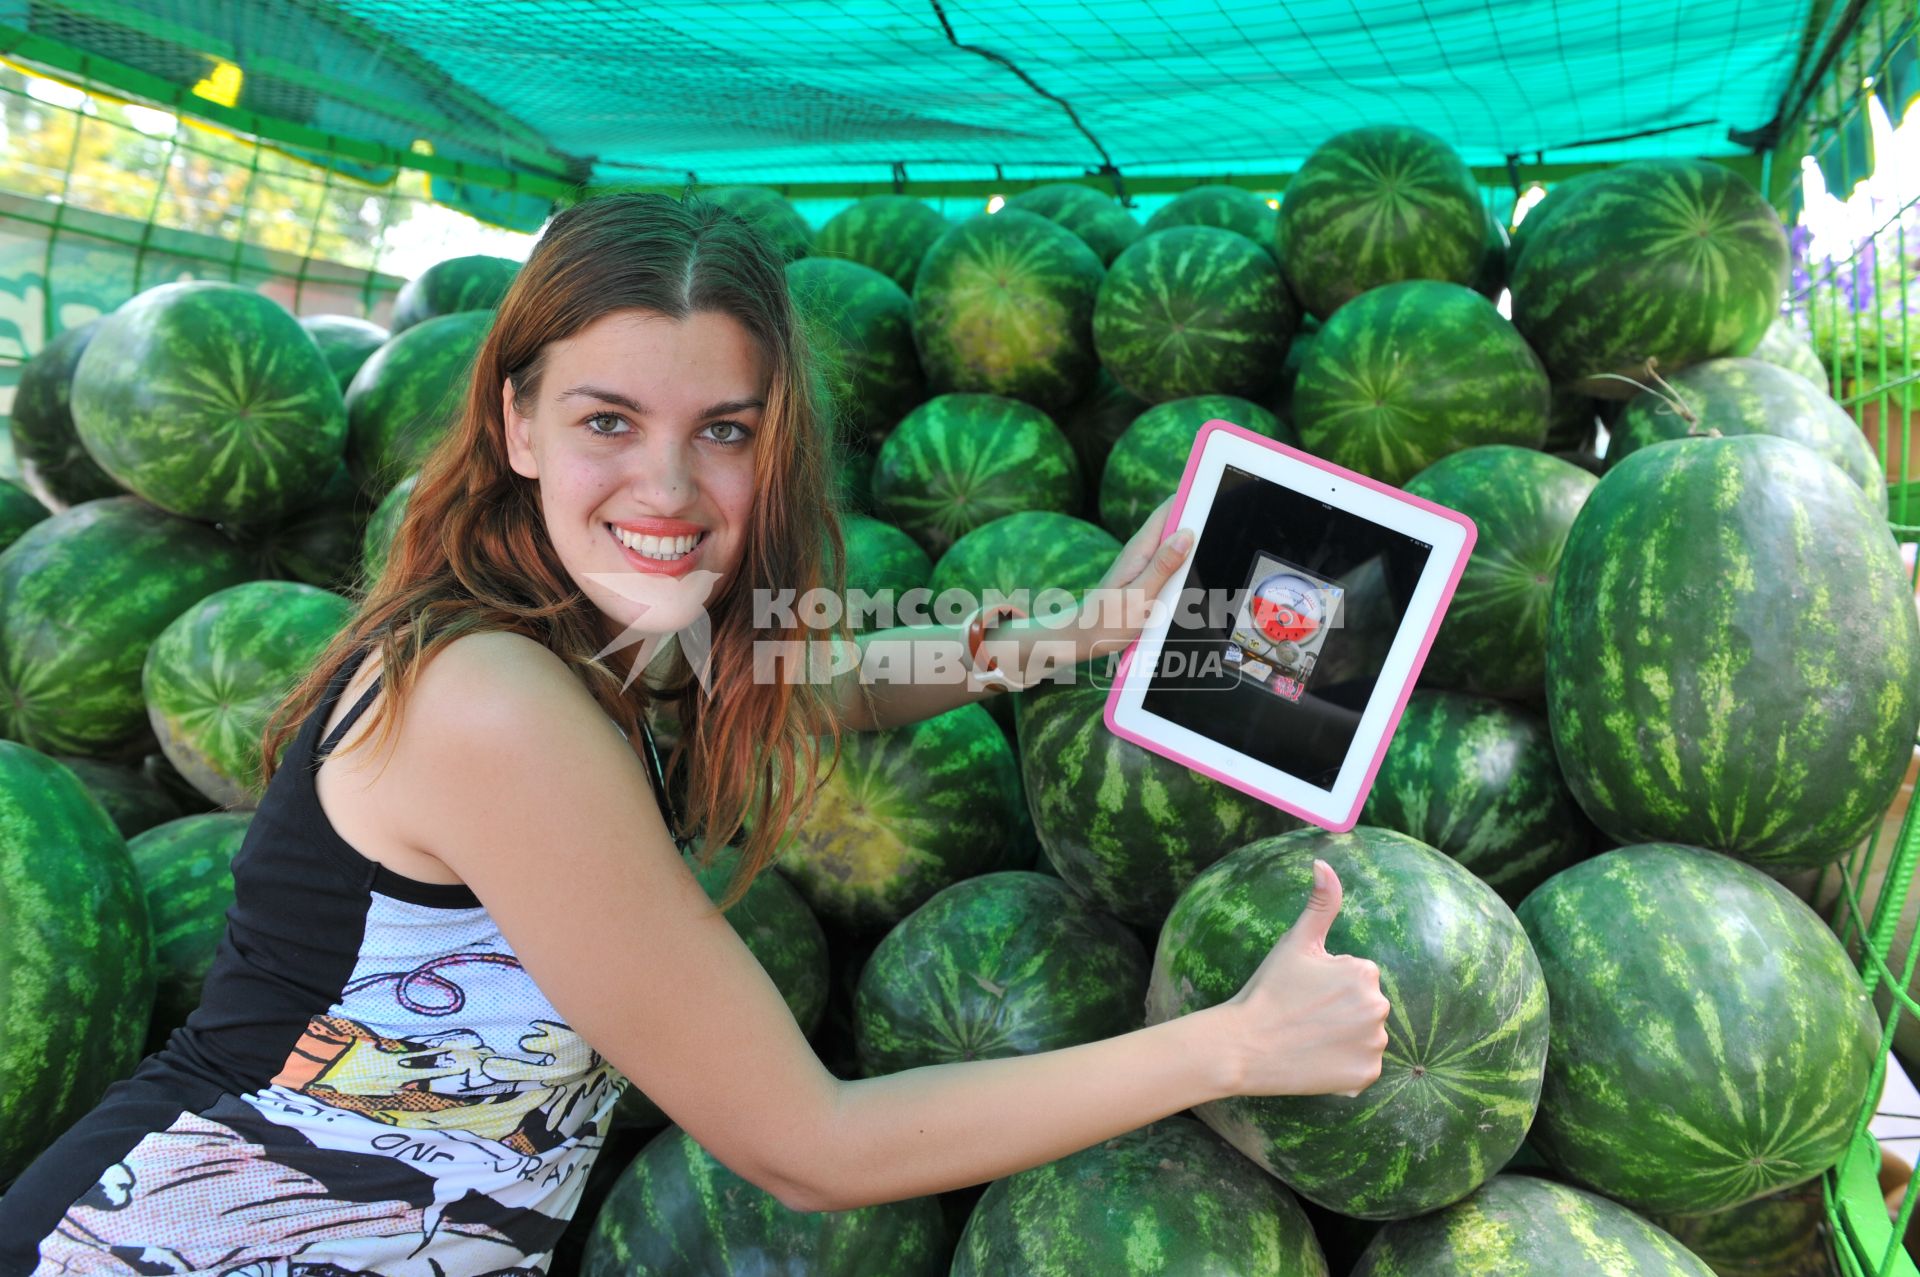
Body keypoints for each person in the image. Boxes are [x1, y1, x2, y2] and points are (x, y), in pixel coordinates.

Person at [0, 193, 1389, 1274]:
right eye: (610, 418)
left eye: (722, 429)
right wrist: (1232, 1045)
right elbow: (812, 1142)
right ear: (518, 422)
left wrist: (1071, 629)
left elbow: (815, 675)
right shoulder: (494, 702)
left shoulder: (585, 628)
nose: (667, 485)